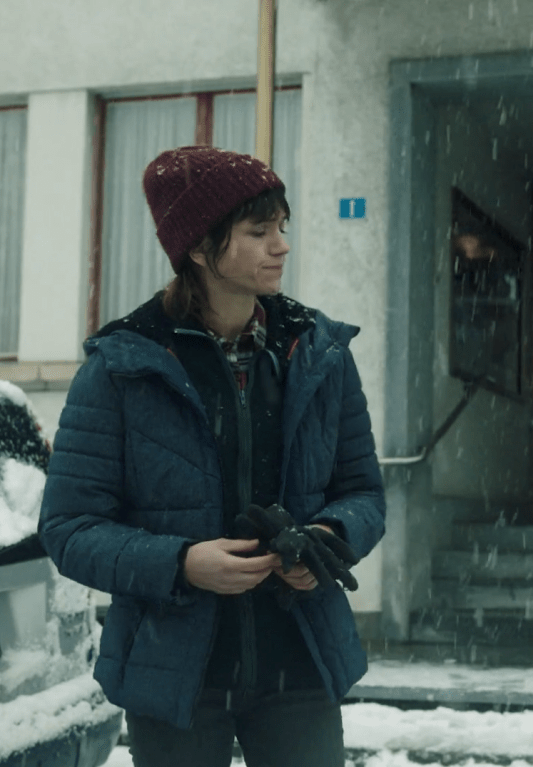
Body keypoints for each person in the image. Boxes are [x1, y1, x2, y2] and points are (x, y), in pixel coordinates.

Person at [38, 146, 386, 767]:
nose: (281, 245)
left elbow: (363, 492)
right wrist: (181, 564)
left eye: (282, 227)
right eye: (259, 231)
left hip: (300, 662)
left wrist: (328, 539)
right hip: (176, 676)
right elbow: (69, 528)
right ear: (199, 247)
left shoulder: (320, 354)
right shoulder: (122, 368)